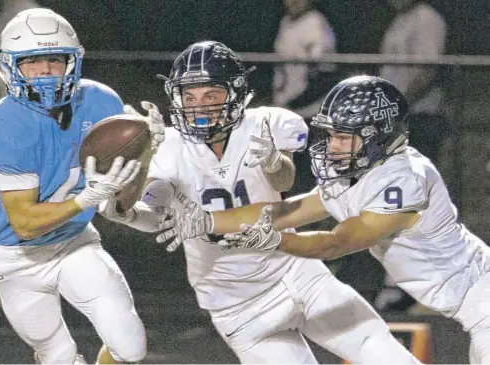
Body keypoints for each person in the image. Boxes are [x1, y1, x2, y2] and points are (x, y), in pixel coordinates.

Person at [107, 40, 419, 364]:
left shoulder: (265, 123)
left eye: (211, 95)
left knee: (382, 351)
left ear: (235, 93)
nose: (200, 106)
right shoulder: (168, 147)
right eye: (190, 97)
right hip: (237, 304)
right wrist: (131, 193)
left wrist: (272, 161)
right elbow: (155, 208)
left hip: (294, 271)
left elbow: (283, 181)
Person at [163, 75, 490, 364]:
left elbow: (338, 242)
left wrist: (278, 241)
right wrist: (209, 221)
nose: (333, 147)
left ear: (379, 136)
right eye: (332, 135)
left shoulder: (404, 178)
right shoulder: (362, 169)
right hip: (473, 307)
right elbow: (291, 210)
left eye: (345, 137)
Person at [0, 8, 166, 364]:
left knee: (130, 346)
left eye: (53, 60)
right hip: (17, 259)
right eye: (32, 62)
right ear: (11, 67)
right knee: (57, 354)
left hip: (74, 241)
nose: (44, 72)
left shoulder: (100, 101)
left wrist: (144, 153)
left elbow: (125, 203)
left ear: (72, 62)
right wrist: (85, 199)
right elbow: (25, 224)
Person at [377, 0, 448, 311]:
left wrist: (398, 107)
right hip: (395, 121)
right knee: (392, 201)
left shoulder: (427, 19)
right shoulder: (398, 22)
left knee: (414, 203)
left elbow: (427, 70)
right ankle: (399, 282)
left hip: (419, 120)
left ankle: (418, 287)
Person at [273, 0, 338, 120]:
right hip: (285, 102)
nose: (294, 2)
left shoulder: (315, 22)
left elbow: (322, 72)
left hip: (308, 109)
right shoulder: (285, 22)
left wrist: (293, 103)